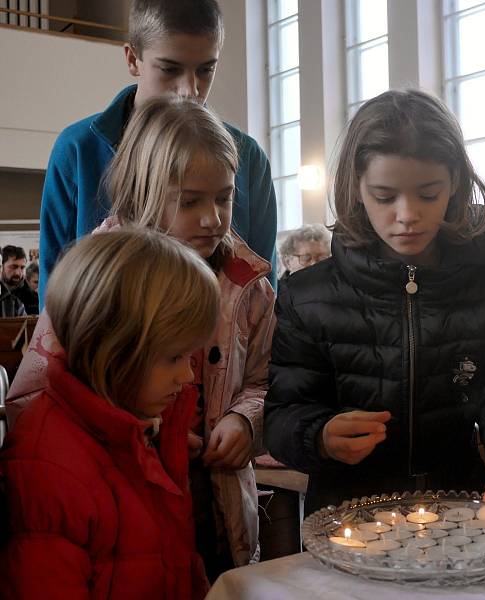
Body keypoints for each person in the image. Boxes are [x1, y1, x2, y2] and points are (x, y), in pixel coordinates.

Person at [264, 89, 485, 517]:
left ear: (454, 182)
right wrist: (319, 435)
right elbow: (284, 412)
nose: (407, 214)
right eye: (384, 196)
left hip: (460, 504)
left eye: (427, 193)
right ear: (356, 187)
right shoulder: (308, 295)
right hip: (348, 510)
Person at [8, 96, 275, 577]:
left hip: (216, 502)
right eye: (190, 201)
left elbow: (264, 377)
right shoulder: (101, 273)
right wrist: (140, 429)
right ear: (145, 190)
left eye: (224, 197)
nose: (213, 217)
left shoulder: (248, 283)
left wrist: (244, 420)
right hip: (115, 495)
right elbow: (33, 395)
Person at [0, 229, 218, 599]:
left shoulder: (145, 426)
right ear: (111, 347)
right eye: (173, 358)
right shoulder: (48, 467)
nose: (188, 376)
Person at [38, 0, 278, 308]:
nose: (189, 89)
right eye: (170, 69)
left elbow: (261, 293)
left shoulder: (249, 157)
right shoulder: (77, 149)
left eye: (206, 70)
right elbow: (54, 292)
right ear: (133, 59)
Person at [0, 246, 26, 317]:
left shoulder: (29, 295)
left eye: (22, 267)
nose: (18, 273)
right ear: (1, 267)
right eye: (13, 267)